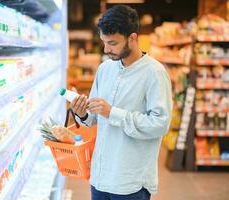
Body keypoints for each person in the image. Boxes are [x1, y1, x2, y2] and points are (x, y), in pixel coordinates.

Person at [70, 5, 172, 200]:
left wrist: (112, 113)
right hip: (100, 178)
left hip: (130, 183)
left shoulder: (154, 73)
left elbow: (160, 124)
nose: (107, 49)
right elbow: (92, 118)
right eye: (104, 42)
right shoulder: (104, 69)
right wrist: (82, 112)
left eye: (113, 43)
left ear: (133, 38)